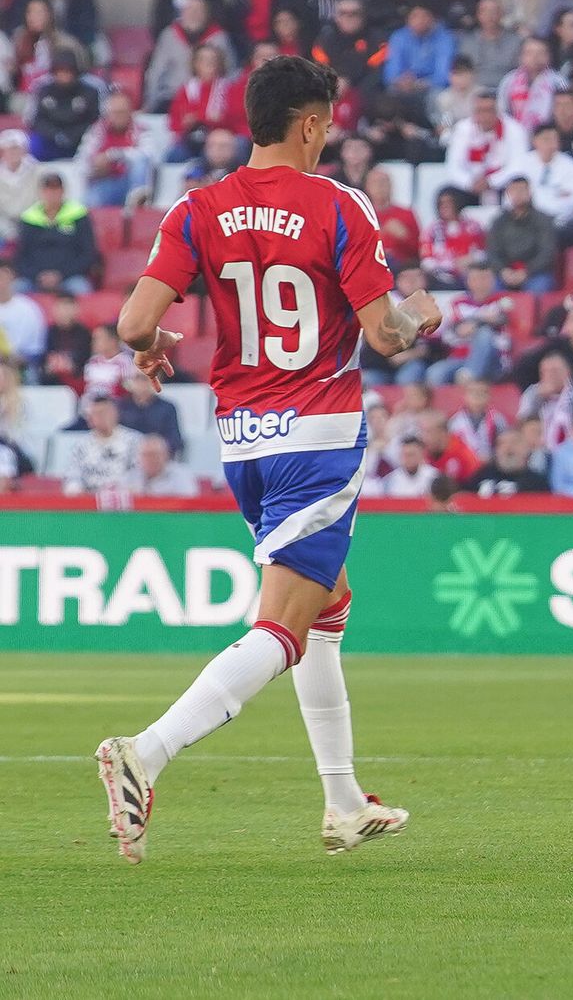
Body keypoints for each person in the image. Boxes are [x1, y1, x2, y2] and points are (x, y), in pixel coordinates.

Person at [99, 55, 444, 864]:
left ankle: (343, 801)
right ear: (310, 122)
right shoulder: (338, 205)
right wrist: (422, 316)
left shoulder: (198, 207)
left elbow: (131, 323)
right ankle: (143, 754)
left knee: (327, 607)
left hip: (244, 443)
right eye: (328, 121)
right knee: (283, 627)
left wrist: (153, 348)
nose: (330, 135)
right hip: (319, 435)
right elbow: (385, 335)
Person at [15, 172, 97, 298]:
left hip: (69, 277)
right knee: (16, 289)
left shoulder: (79, 215)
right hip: (35, 279)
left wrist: (61, 275)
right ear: (40, 192)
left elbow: (88, 253)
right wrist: (38, 276)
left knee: (82, 289)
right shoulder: (29, 219)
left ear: (63, 191)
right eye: (47, 189)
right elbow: (21, 256)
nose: (52, 194)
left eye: (56, 189)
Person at [79, 90, 155, 209]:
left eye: (122, 112)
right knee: (90, 198)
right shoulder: (97, 131)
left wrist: (113, 156)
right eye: (114, 113)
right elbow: (82, 161)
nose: (119, 116)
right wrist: (95, 168)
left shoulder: (141, 130)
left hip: (130, 181)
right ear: (107, 114)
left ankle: (137, 202)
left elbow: (149, 155)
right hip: (106, 182)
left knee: (140, 161)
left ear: (130, 112)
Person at [486, 177, 557, 296]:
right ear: (508, 193)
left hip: (535, 273)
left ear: (529, 193)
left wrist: (526, 271)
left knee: (537, 289)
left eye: (521, 190)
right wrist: (503, 271)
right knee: (489, 286)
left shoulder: (543, 220)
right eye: (513, 190)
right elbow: (492, 252)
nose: (517, 194)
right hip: (505, 271)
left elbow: (547, 253)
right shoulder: (499, 222)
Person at [63, 394, 141, 496]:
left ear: (115, 413)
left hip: (124, 499)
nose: (99, 417)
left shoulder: (134, 441)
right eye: (94, 414)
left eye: (103, 413)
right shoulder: (80, 446)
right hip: (89, 500)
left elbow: (139, 474)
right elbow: (73, 476)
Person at [467, 428, 548, 496]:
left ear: (527, 448)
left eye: (515, 442)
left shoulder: (537, 483)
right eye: (502, 443)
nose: (508, 447)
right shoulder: (481, 475)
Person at [125, 432, 199, 497]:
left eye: (154, 455)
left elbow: (189, 502)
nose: (150, 459)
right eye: (145, 455)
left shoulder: (181, 475)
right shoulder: (131, 474)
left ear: (166, 456)